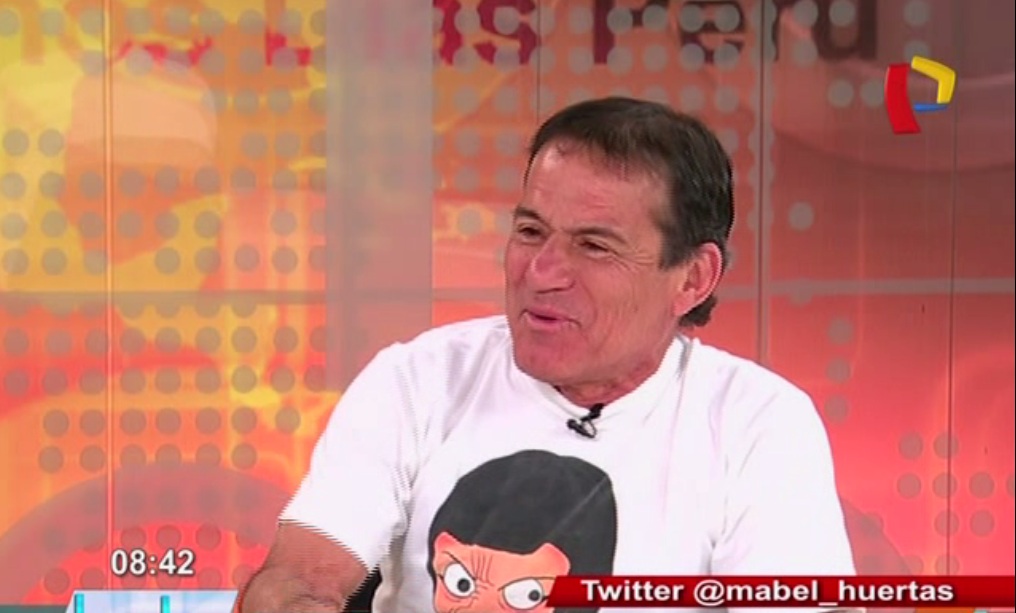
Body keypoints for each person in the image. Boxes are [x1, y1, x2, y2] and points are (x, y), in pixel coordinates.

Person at [236, 97, 856, 613]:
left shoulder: (757, 423)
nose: (542, 272)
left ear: (692, 278)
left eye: (594, 246)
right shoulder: (417, 380)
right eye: (530, 231)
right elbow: (298, 579)